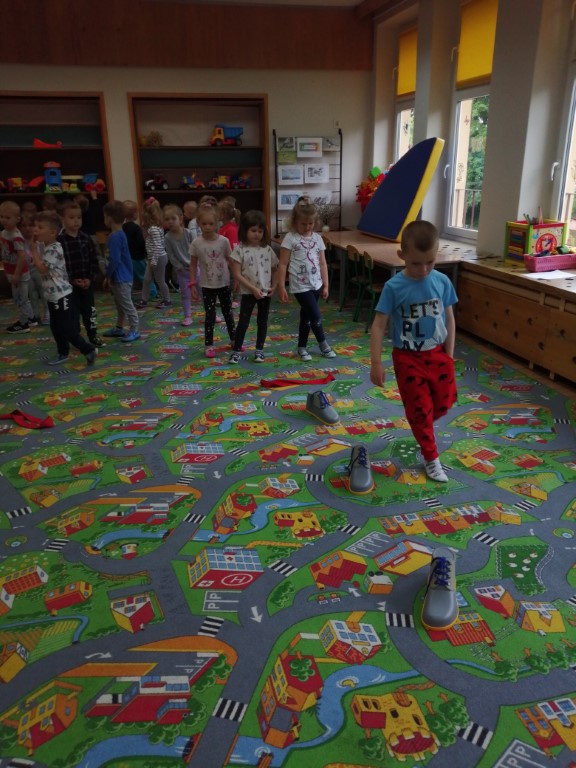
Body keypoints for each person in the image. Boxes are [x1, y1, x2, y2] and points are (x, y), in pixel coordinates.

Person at [369, 220, 458, 483]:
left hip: (438, 354)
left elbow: (449, 319)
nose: (424, 269)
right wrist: (376, 362)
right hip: (407, 358)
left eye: (430, 261)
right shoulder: (394, 287)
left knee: (445, 402)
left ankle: (422, 423)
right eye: (417, 263)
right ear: (402, 255)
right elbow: (378, 325)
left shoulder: (442, 281)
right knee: (420, 410)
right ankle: (431, 457)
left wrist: (449, 355)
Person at [29, 211, 96, 366]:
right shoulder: (46, 246)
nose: (35, 230)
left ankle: (88, 349)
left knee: (66, 327)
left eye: (40, 227)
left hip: (62, 295)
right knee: (56, 326)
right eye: (35, 226)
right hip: (52, 295)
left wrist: (33, 250)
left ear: (53, 232)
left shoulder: (54, 248)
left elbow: (42, 269)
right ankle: (62, 352)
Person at [277, 197, 336, 361]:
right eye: (303, 224)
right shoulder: (290, 238)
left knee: (306, 316)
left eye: (310, 223)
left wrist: (326, 285)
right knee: (315, 315)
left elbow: (323, 263)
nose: (307, 227)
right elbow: (282, 264)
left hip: (316, 284)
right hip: (300, 286)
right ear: (295, 222)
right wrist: (281, 286)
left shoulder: (317, 238)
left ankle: (301, 347)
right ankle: (323, 344)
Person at [228, 210, 278, 364]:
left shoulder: (267, 249)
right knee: (243, 322)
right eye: (253, 230)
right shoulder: (240, 250)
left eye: (260, 231)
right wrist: (253, 289)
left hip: (265, 292)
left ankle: (259, 350)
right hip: (249, 293)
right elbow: (237, 274)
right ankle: (236, 351)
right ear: (245, 230)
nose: (257, 234)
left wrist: (274, 286)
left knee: (262, 322)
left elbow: (276, 268)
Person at [189, 204, 236, 358]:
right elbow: (193, 264)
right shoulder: (196, 243)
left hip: (224, 283)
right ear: (198, 223)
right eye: (204, 224)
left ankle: (234, 340)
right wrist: (192, 284)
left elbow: (231, 260)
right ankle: (209, 345)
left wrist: (237, 279)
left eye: (211, 223)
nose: (208, 227)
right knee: (210, 316)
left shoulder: (224, 241)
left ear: (217, 223)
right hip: (207, 285)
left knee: (228, 313)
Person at [57, 200, 104, 347]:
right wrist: (72, 280)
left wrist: (90, 278)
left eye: (79, 217)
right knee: (73, 313)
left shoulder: (86, 238)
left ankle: (93, 335)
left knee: (90, 311)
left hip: (86, 283)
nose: (76, 221)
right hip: (69, 286)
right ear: (63, 219)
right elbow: (60, 266)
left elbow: (93, 260)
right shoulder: (60, 241)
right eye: (71, 217)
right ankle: (76, 338)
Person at [101, 200, 140, 343]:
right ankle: (119, 328)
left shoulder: (115, 236)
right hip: (122, 277)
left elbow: (115, 260)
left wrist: (108, 276)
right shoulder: (119, 234)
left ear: (109, 218)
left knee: (127, 305)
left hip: (120, 277)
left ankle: (135, 329)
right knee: (120, 305)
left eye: (104, 216)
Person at [0, 200, 34, 333]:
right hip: (10, 271)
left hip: (19, 274)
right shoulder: (4, 233)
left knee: (20, 298)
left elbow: (21, 257)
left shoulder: (16, 236)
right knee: (19, 297)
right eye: (1, 216)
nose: (4, 220)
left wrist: (17, 274)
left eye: (8, 217)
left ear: (17, 219)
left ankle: (24, 324)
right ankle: (31, 317)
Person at [136, 196, 171, 309]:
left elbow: (158, 246)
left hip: (158, 258)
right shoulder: (152, 228)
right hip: (153, 258)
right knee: (147, 279)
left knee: (160, 280)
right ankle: (144, 300)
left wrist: (154, 260)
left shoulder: (154, 229)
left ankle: (167, 300)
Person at [163, 204, 194, 326]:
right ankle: (187, 316)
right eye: (167, 219)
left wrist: (195, 264)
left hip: (195, 269)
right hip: (182, 272)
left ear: (180, 219)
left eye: (173, 218)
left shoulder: (189, 233)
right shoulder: (167, 237)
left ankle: (211, 313)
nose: (170, 222)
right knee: (185, 295)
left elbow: (196, 250)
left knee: (204, 293)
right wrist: (179, 267)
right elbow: (171, 255)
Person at [19, 211, 49, 325]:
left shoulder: (39, 240)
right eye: (24, 226)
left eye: (30, 225)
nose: (27, 228)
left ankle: (48, 312)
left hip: (38, 268)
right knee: (31, 292)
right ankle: (35, 314)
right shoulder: (20, 241)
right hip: (27, 270)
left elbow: (44, 254)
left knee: (43, 290)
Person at [123, 199, 157, 297]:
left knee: (130, 278)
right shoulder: (136, 228)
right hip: (137, 257)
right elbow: (141, 243)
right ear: (134, 214)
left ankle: (128, 294)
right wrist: (146, 254)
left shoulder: (122, 227)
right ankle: (153, 293)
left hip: (127, 258)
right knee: (144, 276)